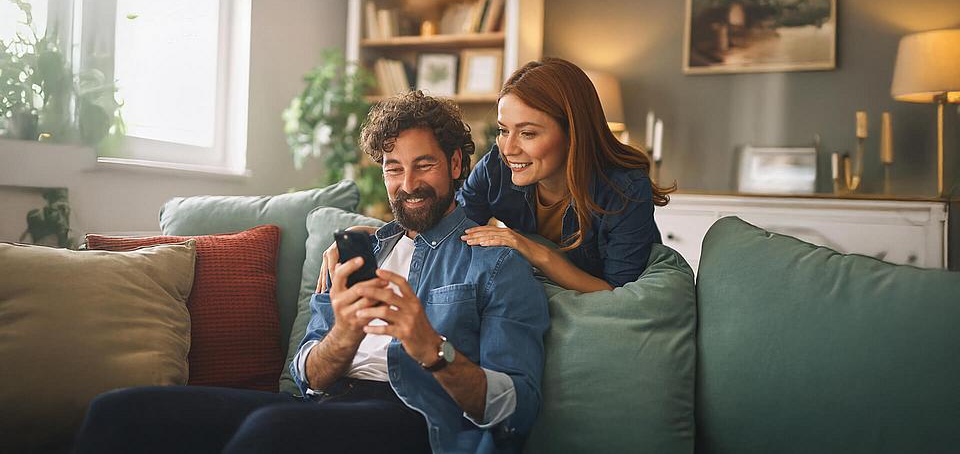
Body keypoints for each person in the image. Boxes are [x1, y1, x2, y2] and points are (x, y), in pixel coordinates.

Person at [73, 91, 550, 454]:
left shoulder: (496, 260)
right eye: (392, 168)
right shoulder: (358, 249)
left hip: (419, 420)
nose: (408, 185)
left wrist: (432, 348)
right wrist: (343, 333)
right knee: (119, 411)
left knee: (271, 433)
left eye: (424, 165)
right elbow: (309, 377)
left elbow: (516, 409)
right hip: (324, 405)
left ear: (456, 163)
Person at [457, 57, 674, 292]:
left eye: (528, 133)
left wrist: (535, 252)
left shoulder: (625, 189)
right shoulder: (495, 167)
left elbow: (619, 294)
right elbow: (453, 233)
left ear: (573, 133)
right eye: (503, 130)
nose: (508, 149)